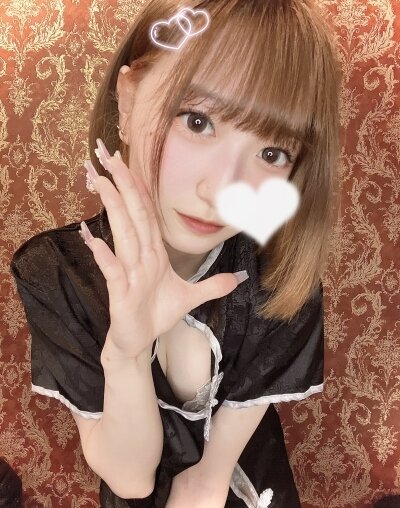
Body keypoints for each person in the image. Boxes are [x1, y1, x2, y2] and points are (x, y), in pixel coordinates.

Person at [9, 0, 341, 506]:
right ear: (127, 102)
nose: (223, 191)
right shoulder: (60, 272)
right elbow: (131, 478)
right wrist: (127, 354)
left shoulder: (275, 275)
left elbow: (205, 483)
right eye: (198, 121)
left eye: (272, 153)